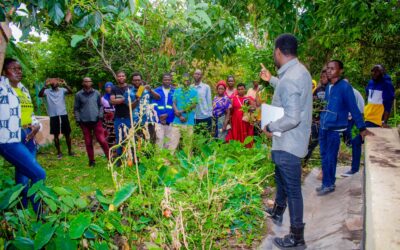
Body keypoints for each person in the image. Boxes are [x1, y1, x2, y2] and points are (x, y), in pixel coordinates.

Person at [260, 34, 311, 249]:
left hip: (288, 142)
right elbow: (287, 90)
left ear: (279, 51)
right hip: (290, 141)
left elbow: (292, 117)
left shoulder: (291, 78)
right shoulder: (299, 72)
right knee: (281, 180)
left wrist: (271, 127)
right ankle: (278, 212)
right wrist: (271, 79)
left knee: (293, 190)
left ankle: (297, 237)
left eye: (274, 51)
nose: (274, 54)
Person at [318, 60, 373, 194]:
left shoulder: (344, 87)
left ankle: (328, 184)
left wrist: (362, 128)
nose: (329, 71)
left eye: (333, 68)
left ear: (340, 71)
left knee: (331, 156)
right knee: (324, 155)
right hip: (324, 126)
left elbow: (353, 108)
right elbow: (327, 106)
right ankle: (327, 181)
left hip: (334, 129)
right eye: (328, 68)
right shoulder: (329, 87)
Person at [0, 58, 46, 214]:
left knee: (23, 178)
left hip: (29, 136)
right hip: (9, 138)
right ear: (4, 71)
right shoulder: (1, 87)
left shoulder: (23, 89)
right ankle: (40, 214)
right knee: (39, 174)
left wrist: (36, 126)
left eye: (20, 68)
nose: (19, 71)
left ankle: (22, 213)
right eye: (14, 68)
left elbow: (30, 113)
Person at [342, 65, 393, 176]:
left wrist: (384, 121)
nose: (374, 73)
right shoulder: (370, 83)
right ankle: (357, 169)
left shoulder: (387, 85)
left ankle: (354, 169)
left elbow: (388, 104)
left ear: (382, 72)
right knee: (362, 143)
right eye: (372, 71)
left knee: (356, 141)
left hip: (376, 121)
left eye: (377, 72)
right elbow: (369, 99)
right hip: (368, 118)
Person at [74, 77, 110, 166]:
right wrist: (78, 119)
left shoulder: (97, 93)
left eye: (89, 81)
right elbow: (76, 108)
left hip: (97, 120)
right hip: (84, 122)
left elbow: (101, 106)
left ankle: (110, 158)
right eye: (85, 81)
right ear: (83, 83)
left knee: (102, 140)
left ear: (91, 83)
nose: (87, 83)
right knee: (88, 142)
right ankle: (91, 161)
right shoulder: (78, 94)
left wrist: (101, 115)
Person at [38, 77, 74, 159]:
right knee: (56, 135)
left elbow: (71, 92)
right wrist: (44, 86)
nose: (54, 83)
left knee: (67, 133)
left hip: (63, 114)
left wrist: (65, 85)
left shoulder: (62, 90)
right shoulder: (47, 91)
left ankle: (70, 151)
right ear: (50, 84)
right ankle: (59, 152)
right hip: (53, 116)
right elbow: (40, 95)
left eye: (55, 82)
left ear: (58, 83)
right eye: (52, 82)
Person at [303, 68, 328, 165]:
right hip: (316, 122)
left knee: (325, 145)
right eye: (321, 77)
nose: (322, 79)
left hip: (327, 122)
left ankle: (324, 166)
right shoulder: (317, 90)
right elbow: (311, 104)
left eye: (324, 77)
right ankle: (304, 162)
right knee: (313, 143)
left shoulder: (332, 89)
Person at [128, 72, 160, 143]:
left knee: (151, 141)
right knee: (139, 143)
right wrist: (137, 100)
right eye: (135, 80)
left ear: (141, 80)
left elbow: (158, 97)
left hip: (149, 120)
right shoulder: (129, 92)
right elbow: (129, 108)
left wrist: (151, 90)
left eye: (138, 80)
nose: (137, 82)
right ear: (132, 81)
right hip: (137, 121)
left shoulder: (146, 90)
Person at [170, 73, 198, 151]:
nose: (186, 81)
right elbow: (174, 103)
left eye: (188, 80)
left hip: (189, 121)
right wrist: (179, 115)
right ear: (182, 80)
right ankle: (167, 162)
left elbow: (194, 105)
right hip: (177, 121)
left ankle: (187, 161)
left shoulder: (194, 91)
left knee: (188, 145)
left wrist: (181, 111)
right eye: (184, 80)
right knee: (172, 143)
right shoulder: (177, 90)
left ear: (190, 81)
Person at [225, 83, 255, 147]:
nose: (240, 90)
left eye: (242, 89)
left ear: (245, 90)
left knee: (245, 134)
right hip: (236, 121)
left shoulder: (248, 99)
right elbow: (231, 111)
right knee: (236, 134)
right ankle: (237, 148)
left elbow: (254, 108)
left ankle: (246, 148)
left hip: (245, 120)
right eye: (238, 89)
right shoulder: (233, 99)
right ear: (237, 90)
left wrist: (250, 108)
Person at [110, 71, 132, 156]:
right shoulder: (114, 88)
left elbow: (133, 100)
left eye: (123, 76)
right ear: (117, 77)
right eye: (119, 76)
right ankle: (119, 157)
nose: (121, 77)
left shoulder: (130, 87)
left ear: (125, 77)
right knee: (119, 138)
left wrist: (118, 100)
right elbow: (112, 101)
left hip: (128, 116)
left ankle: (128, 156)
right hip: (118, 117)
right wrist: (124, 99)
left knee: (128, 137)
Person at [153, 73, 175, 149]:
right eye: (165, 79)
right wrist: (159, 117)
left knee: (168, 141)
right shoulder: (156, 90)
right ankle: (159, 160)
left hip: (170, 120)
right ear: (162, 80)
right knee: (159, 140)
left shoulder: (174, 91)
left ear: (171, 80)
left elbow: (175, 106)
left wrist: (167, 115)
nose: (167, 81)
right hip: (159, 120)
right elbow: (154, 105)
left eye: (168, 79)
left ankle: (166, 160)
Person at [101, 82, 116, 150]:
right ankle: (108, 149)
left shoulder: (116, 96)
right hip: (107, 119)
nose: (109, 89)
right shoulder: (102, 98)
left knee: (116, 133)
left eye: (110, 87)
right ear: (105, 88)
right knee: (108, 133)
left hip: (115, 117)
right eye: (107, 87)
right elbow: (101, 108)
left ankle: (116, 149)